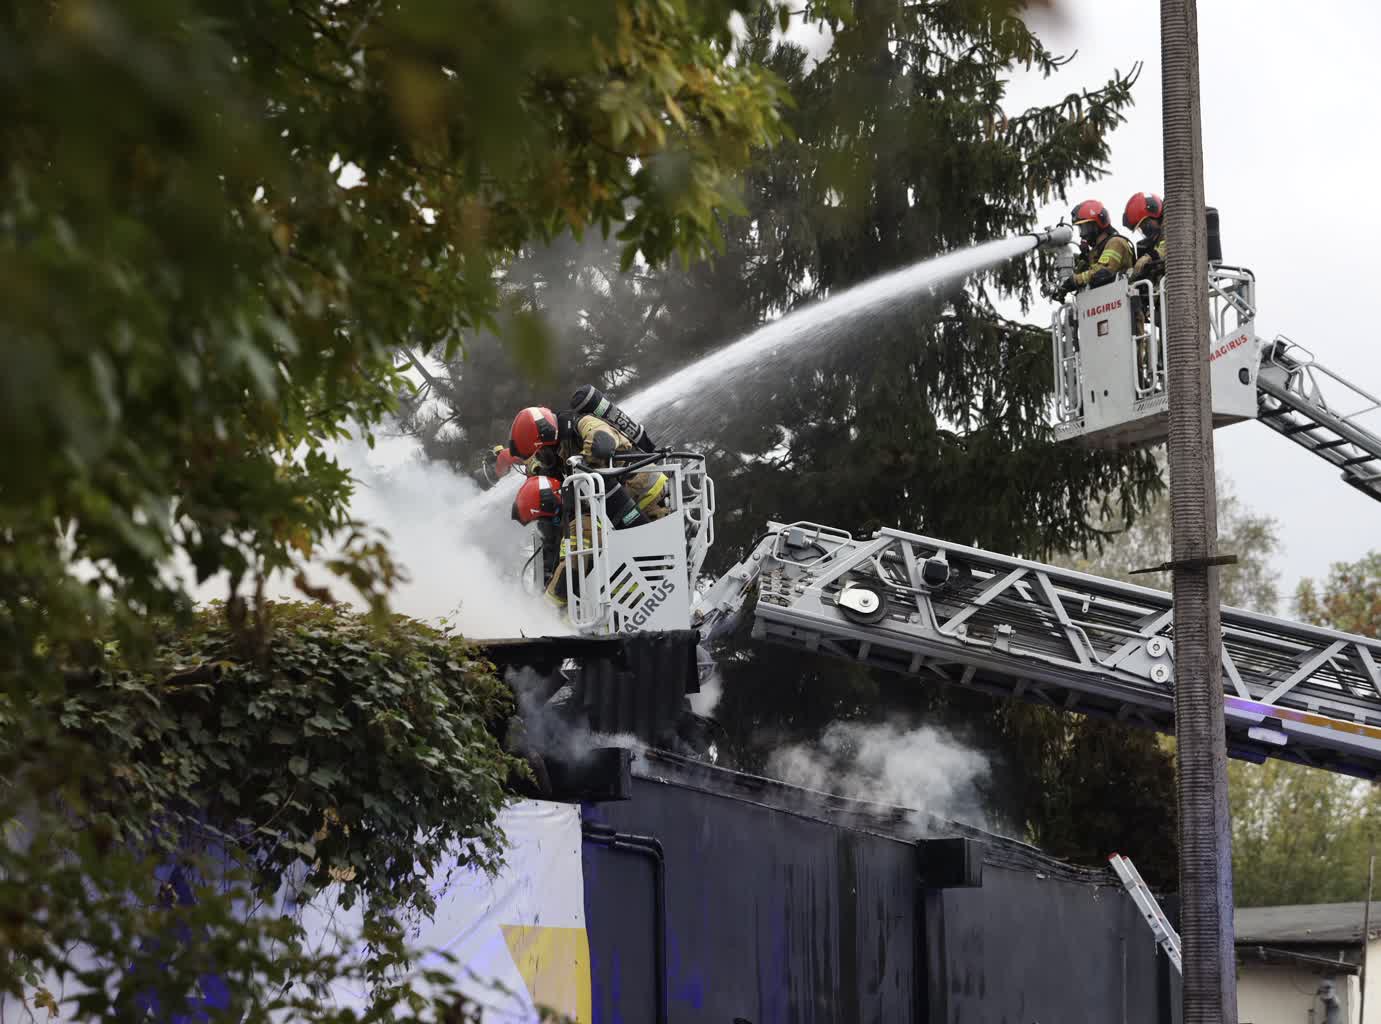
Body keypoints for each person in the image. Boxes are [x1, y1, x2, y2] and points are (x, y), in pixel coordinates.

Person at [508, 404, 669, 523]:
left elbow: (603, 441)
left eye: (540, 452)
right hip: (626, 505)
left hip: (649, 494)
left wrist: (582, 464)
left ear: (546, 435)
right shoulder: (560, 452)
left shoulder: (582, 423)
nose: (541, 458)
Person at [1057, 199, 1135, 296]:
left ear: (1096, 225)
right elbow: (1091, 273)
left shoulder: (1116, 242)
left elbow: (1103, 271)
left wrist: (1075, 280)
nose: (1081, 235)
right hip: (1106, 299)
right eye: (1080, 229)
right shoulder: (1095, 252)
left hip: (1121, 298)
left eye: (1084, 228)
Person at [1123, 192, 1166, 281]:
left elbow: (1171, 247)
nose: (1144, 230)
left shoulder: (1172, 225)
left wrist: (1149, 257)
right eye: (1140, 228)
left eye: (1145, 224)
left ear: (1154, 213)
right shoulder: (1156, 238)